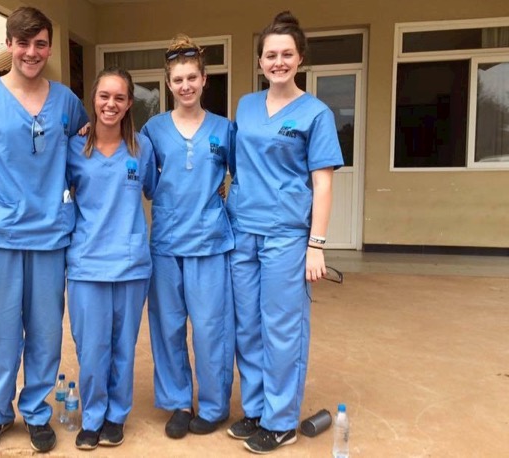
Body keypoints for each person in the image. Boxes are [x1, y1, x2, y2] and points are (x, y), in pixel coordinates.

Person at [0, 6, 88, 454]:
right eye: (23, 43)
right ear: (9, 44)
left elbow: (89, 154)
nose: (31, 52)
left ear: (48, 47)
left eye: (40, 44)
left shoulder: (66, 101)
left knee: (46, 331)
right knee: (1, 331)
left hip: (50, 237)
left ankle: (38, 411)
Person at [225, 11, 344, 454]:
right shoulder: (246, 106)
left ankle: (280, 420)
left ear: (300, 60)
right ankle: (255, 408)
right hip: (244, 231)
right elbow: (237, 165)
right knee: (248, 326)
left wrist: (316, 244)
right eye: (270, 55)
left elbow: (323, 182)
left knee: (282, 328)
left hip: (287, 236)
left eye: (286, 54)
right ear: (259, 62)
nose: (278, 62)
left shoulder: (316, 114)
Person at [140, 35, 235, 439]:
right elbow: (144, 183)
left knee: (213, 327)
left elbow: (243, 179)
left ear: (204, 78)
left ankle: (213, 406)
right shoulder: (153, 129)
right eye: (177, 79)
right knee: (168, 327)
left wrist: (222, 207)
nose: (185, 86)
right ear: (168, 82)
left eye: (192, 77)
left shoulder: (224, 129)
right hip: (165, 244)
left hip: (211, 243)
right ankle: (179, 401)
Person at [65, 66, 156, 450]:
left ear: (129, 103)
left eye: (119, 97)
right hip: (87, 263)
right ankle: (92, 417)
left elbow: (153, 190)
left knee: (123, 344)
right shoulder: (73, 149)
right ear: (93, 100)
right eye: (104, 96)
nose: (111, 104)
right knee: (91, 347)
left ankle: (116, 416)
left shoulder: (142, 148)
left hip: (132, 263)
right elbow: (58, 195)